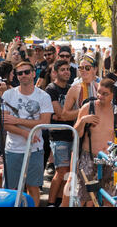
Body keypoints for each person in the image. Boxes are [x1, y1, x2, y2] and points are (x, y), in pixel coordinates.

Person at [2, 61, 53, 207]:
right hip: (12, 149)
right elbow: (5, 123)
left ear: (33, 73)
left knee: (33, 187)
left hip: (35, 149)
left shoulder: (43, 96)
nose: (23, 75)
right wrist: (25, 133)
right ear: (16, 76)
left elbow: (44, 122)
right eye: (20, 73)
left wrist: (17, 120)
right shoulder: (8, 94)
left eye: (26, 72)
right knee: (11, 189)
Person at [74, 78, 116, 206]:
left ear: (113, 95)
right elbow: (76, 133)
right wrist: (83, 121)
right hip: (89, 157)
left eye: (105, 94)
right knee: (85, 197)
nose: (100, 96)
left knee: (109, 196)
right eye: (98, 92)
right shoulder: (88, 107)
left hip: (109, 158)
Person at [45, 60, 72, 207]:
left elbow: (63, 114)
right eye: (63, 69)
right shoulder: (51, 89)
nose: (66, 72)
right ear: (55, 72)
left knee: (68, 171)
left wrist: (66, 115)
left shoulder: (71, 88)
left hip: (72, 134)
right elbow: (60, 114)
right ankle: (50, 202)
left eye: (68, 69)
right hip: (58, 136)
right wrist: (77, 114)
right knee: (61, 170)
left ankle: (61, 201)